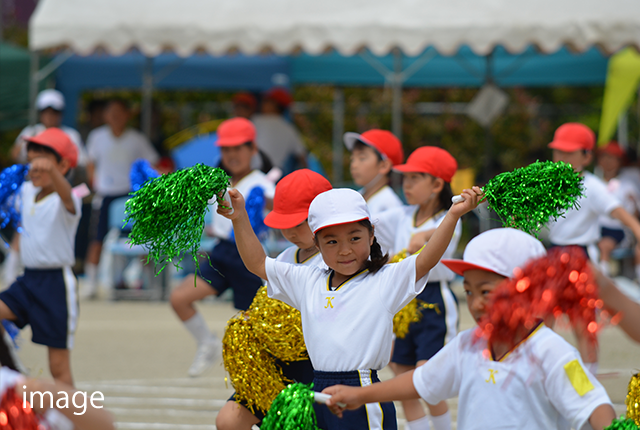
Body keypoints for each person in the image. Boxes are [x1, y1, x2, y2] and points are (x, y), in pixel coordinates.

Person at [217, 183, 482, 430]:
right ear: (317, 243)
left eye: (354, 238)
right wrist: (239, 218)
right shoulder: (307, 280)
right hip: (316, 391)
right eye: (332, 241)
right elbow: (258, 264)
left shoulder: (384, 280)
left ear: (371, 236)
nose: (344, 250)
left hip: (364, 392)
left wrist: (453, 215)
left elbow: (425, 260)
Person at [323, 228, 616, 430]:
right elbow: (421, 381)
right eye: (469, 291)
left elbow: (595, 406)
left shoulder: (551, 352)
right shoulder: (469, 344)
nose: (475, 304)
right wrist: (360, 395)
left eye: (486, 292)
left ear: (526, 290)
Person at [216, 168, 331, 430]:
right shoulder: (286, 256)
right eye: (284, 224)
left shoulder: (336, 262)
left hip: (315, 369)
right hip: (276, 366)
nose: (290, 231)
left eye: (298, 223)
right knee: (227, 421)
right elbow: (258, 266)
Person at [170, 117, 275, 378]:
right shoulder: (218, 180)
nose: (231, 154)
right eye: (226, 149)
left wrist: (270, 202)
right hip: (221, 252)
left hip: (248, 258)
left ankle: (264, 372)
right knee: (179, 298)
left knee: (253, 322)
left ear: (253, 149)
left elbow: (274, 206)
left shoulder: (261, 182)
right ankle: (207, 342)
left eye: (238, 148)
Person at [375, 146, 461, 430]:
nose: (406, 185)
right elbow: (369, 225)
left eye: (415, 178)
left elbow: (434, 237)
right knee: (401, 371)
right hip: (404, 302)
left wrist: (423, 236)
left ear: (437, 184)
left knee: (427, 377)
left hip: (433, 302)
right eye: (405, 179)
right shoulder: (402, 215)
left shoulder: (450, 218)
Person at [547, 122, 640, 372]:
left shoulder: (592, 186)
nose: (561, 158)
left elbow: (618, 211)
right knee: (541, 316)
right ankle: (540, 373)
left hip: (580, 258)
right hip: (551, 256)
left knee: (581, 321)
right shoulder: (546, 182)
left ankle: (590, 376)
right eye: (558, 152)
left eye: (569, 153)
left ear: (586, 156)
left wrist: (638, 230)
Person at [0, 128, 81, 387]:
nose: (34, 168)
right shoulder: (25, 192)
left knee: (59, 368)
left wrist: (54, 174)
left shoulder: (69, 198)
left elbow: (67, 195)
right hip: (29, 280)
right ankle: (16, 371)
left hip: (56, 285)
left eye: (42, 163)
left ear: (63, 165)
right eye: (31, 162)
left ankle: (75, 423)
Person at [5, 89, 88, 286]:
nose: (50, 116)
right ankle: (10, 269)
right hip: (36, 191)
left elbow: (82, 164)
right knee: (24, 225)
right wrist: (32, 141)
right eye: (46, 111)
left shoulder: (71, 135)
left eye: (55, 111)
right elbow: (14, 154)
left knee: (52, 227)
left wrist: (54, 171)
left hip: (63, 191)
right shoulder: (30, 131)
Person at [83, 98, 160, 299]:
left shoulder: (137, 139)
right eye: (112, 113)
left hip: (130, 194)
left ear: (127, 115)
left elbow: (152, 163)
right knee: (97, 239)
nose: (116, 117)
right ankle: (91, 284)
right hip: (105, 194)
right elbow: (90, 162)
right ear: (106, 116)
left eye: (120, 112)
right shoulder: (97, 137)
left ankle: (144, 279)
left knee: (144, 236)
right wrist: (94, 183)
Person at [595, 141, 640, 279]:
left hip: (618, 230)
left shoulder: (627, 186)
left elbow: (634, 215)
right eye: (604, 157)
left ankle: (603, 283)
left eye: (612, 158)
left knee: (605, 245)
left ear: (620, 162)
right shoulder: (593, 183)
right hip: (595, 228)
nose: (607, 161)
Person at [343, 129, 404, 216]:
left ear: (384, 166)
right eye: (352, 159)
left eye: (362, 158)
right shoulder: (355, 197)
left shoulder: (390, 205)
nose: (353, 165)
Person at [252, 87, 307, 172]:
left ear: (275, 104)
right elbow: (302, 156)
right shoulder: (289, 128)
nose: (262, 103)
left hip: (254, 171)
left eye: (267, 101)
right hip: (274, 174)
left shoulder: (257, 120)